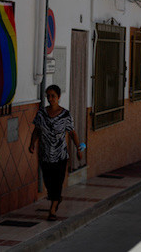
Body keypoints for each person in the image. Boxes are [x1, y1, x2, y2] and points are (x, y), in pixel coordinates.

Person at [28, 85, 83, 221]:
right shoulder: (41, 113)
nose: (50, 99)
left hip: (60, 155)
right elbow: (37, 130)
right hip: (45, 154)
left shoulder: (65, 115)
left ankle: (52, 209)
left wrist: (78, 148)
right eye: (48, 96)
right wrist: (32, 143)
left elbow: (72, 133)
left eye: (53, 96)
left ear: (58, 97)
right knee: (48, 182)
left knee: (57, 182)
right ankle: (56, 198)